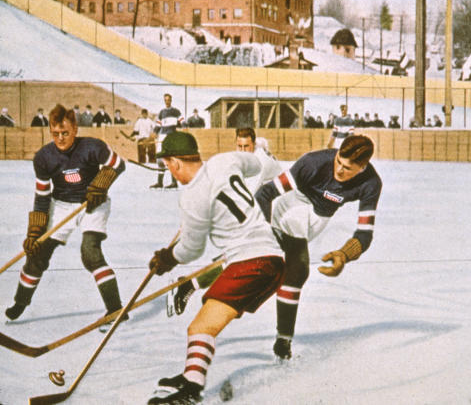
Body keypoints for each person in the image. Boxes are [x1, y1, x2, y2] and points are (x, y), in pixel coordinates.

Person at [145, 131, 285, 404]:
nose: (171, 173)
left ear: (175, 163)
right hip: (273, 258)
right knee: (203, 325)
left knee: (200, 327)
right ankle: (191, 378)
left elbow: (191, 250)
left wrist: (166, 258)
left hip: (250, 262)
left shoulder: (192, 197)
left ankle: (192, 391)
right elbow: (256, 164)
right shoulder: (224, 161)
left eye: (168, 166)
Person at [255, 135, 382, 359]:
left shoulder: (371, 183)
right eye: (338, 162)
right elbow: (264, 194)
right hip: (291, 206)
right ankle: (283, 341)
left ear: (362, 168)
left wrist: (345, 253)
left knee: (280, 266)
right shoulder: (313, 163)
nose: (340, 170)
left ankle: (283, 340)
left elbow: (365, 233)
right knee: (296, 269)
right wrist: (265, 231)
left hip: (317, 220)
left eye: (348, 168)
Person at [4, 104, 127, 325]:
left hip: (92, 204)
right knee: (37, 253)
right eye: (55, 134)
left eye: (65, 133)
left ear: (75, 129)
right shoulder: (43, 157)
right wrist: (34, 232)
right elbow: (42, 196)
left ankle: (115, 309)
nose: (60, 139)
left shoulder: (92, 147)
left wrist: (100, 185)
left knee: (90, 252)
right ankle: (20, 303)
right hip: (60, 206)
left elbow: (118, 164)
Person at [170, 127, 282, 316]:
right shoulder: (244, 158)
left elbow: (243, 198)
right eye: (239, 145)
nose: (242, 150)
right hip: (263, 212)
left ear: (253, 144)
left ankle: (189, 284)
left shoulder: (260, 162)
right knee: (236, 258)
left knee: (239, 258)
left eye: (247, 146)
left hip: (277, 213)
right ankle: (189, 284)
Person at [150, 93, 183, 189]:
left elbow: (183, 122)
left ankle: (174, 182)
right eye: (165, 100)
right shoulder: (162, 112)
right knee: (160, 159)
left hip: (171, 136)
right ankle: (159, 182)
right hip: (162, 136)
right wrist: (154, 133)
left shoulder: (176, 111)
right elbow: (158, 125)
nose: (167, 102)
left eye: (168, 100)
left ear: (171, 100)